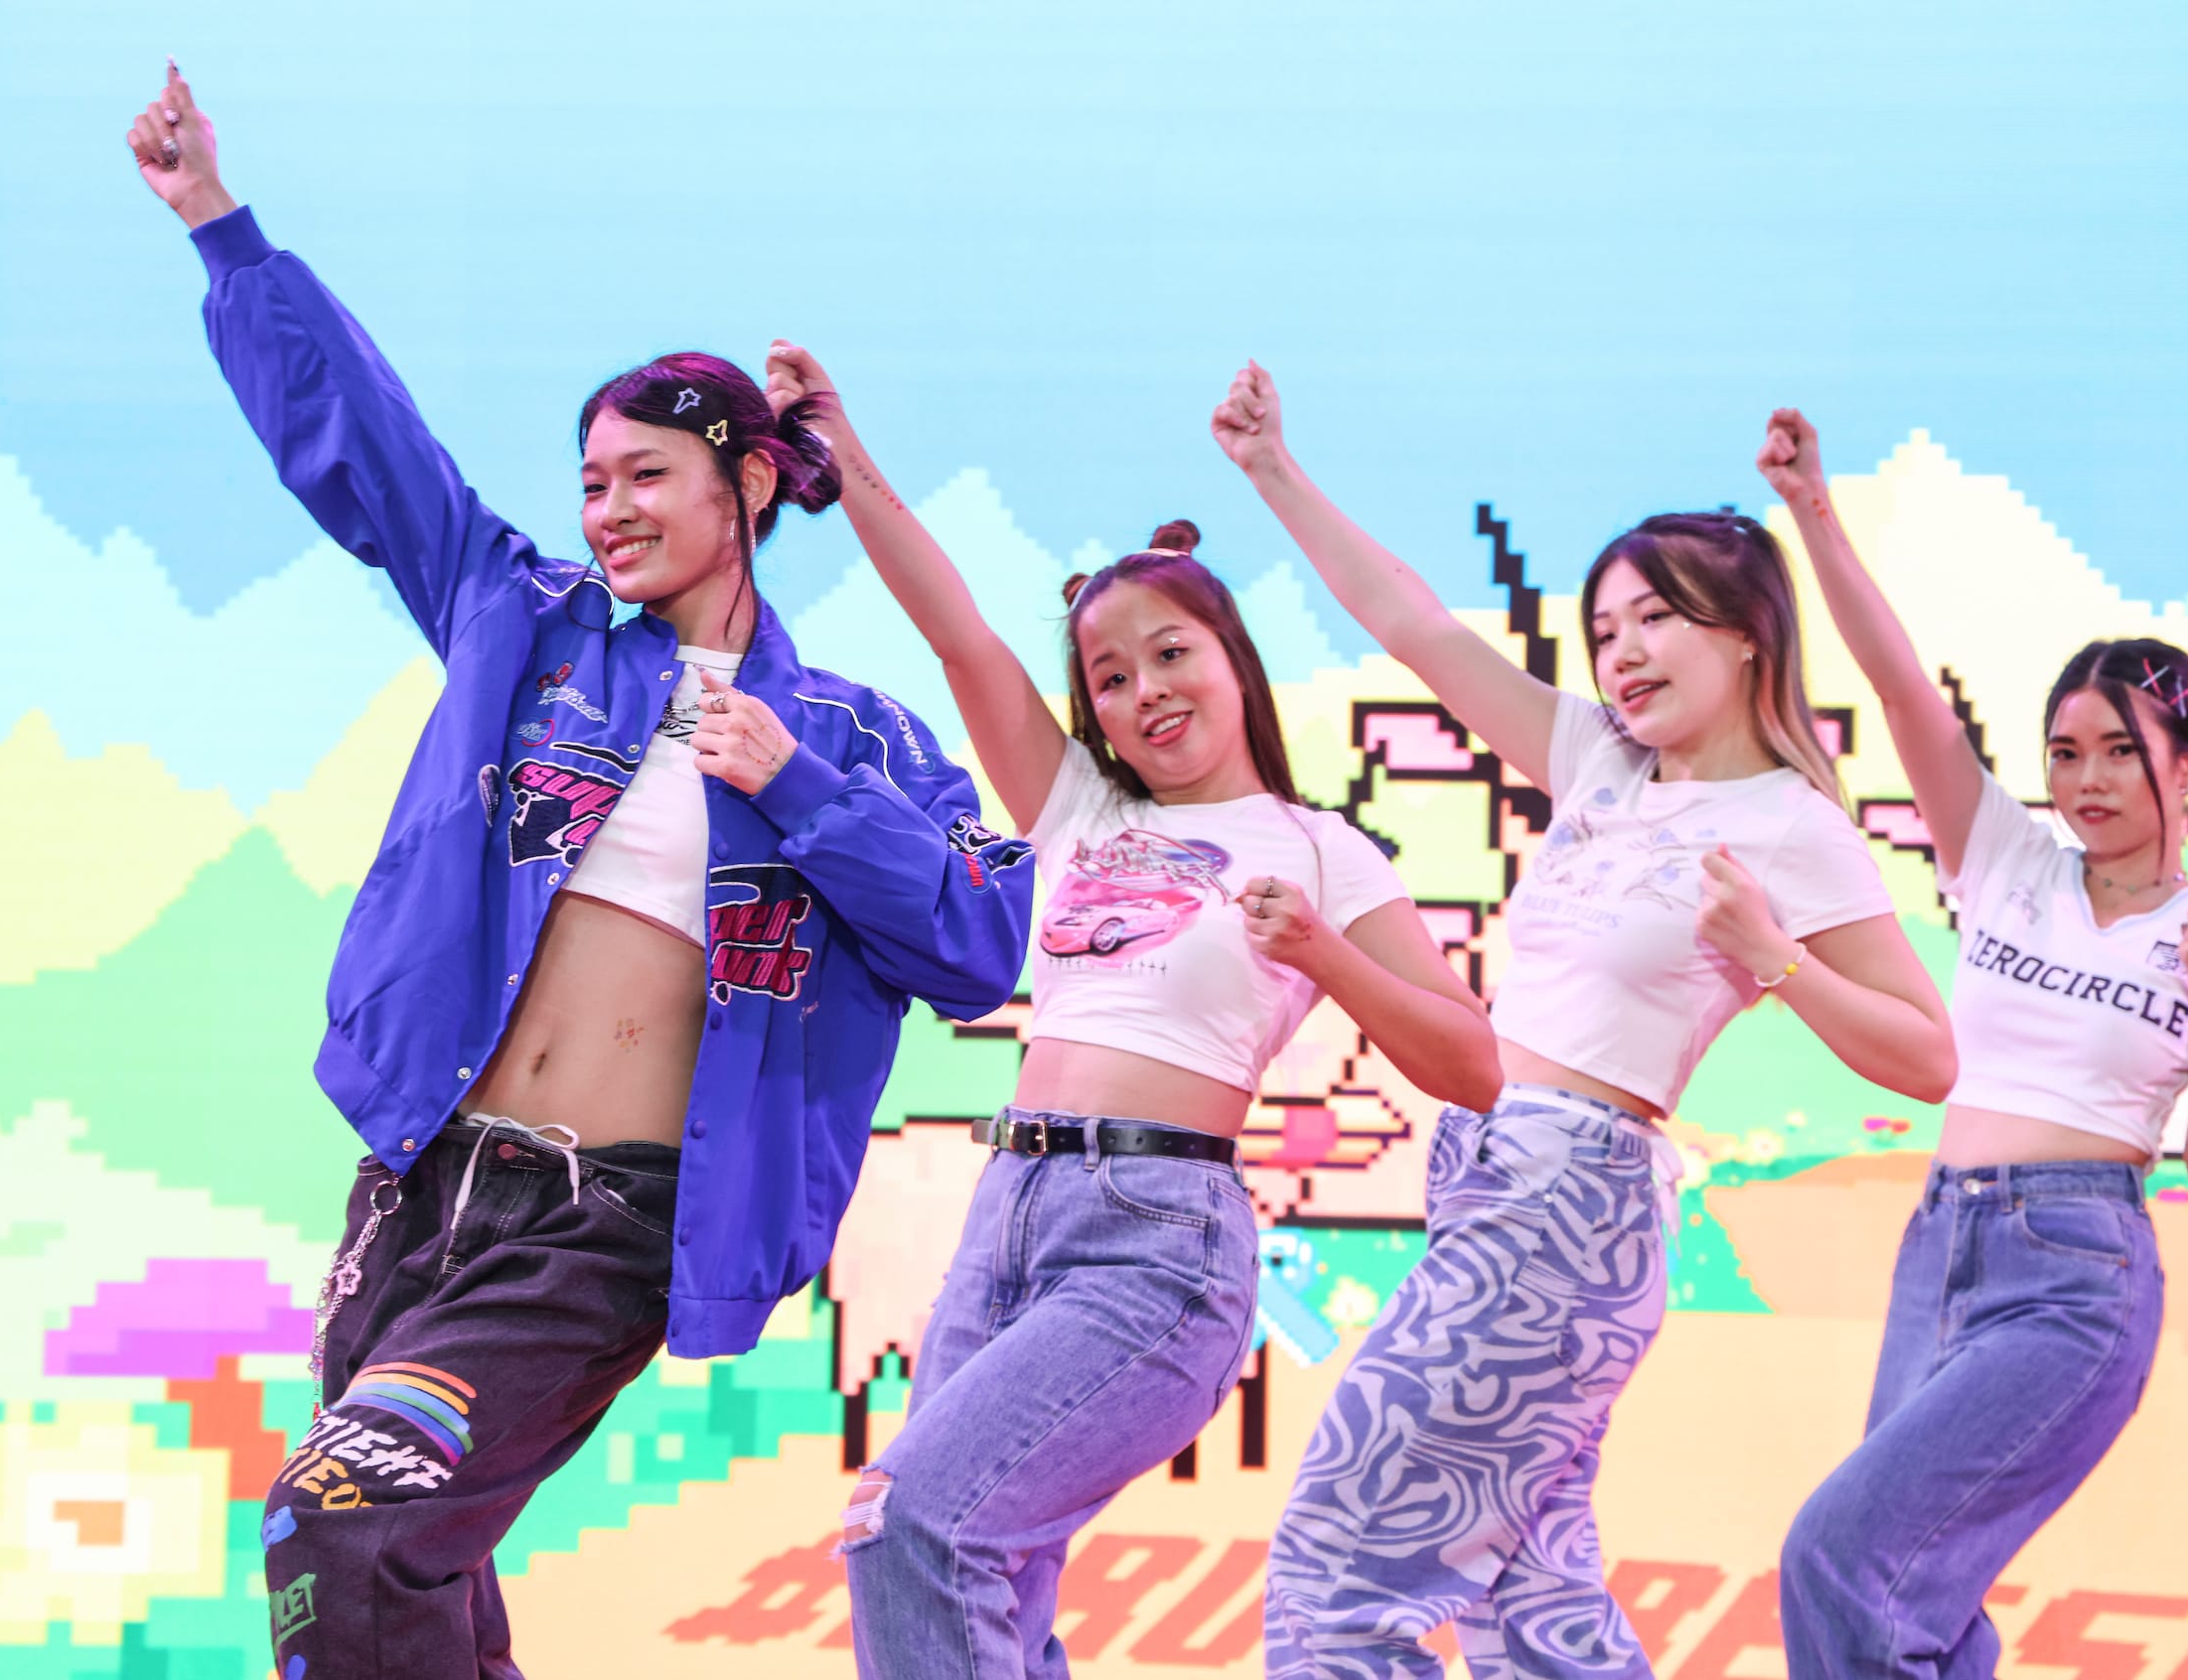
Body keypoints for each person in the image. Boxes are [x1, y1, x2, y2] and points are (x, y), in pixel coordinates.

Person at [124, 68, 1032, 1680]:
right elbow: (367, 447)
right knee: (415, 1585)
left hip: (600, 1224)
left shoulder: (856, 736)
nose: (608, 511)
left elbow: (978, 945)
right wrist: (219, 227)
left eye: (646, 476)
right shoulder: (525, 627)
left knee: (344, 1521)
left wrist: (795, 784)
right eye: (593, 481)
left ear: (749, 485)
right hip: (422, 1189)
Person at [759, 343, 1502, 1678]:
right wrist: (836, 441)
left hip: (1155, 1243)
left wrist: (1324, 955)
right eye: (1109, 677)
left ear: (1232, 661)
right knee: (959, 1573)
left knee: (919, 1524)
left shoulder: (1321, 850)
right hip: (1007, 1217)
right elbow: (956, 629)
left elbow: (1474, 1065)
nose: (1144, 690)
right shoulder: (1080, 810)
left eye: (1170, 653)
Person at [1211, 363, 1959, 1678]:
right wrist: (1272, 470)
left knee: (1339, 1573)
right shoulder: (1597, 764)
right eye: (1603, 628)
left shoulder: (1788, 826)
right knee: (1531, 1608)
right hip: (1490, 1180)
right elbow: (1412, 625)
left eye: (1655, 617)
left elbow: (1926, 1053)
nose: (1620, 652)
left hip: (1568, 1200)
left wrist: (1772, 957)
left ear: (1746, 634)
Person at [1761, 408, 2188, 1678]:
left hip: (2073, 1273)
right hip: (1940, 1243)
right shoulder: (2004, 858)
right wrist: (1811, 509)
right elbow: (1900, 689)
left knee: (1838, 1559)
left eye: (2119, 752)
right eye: (2063, 753)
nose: (2085, 779)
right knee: (1918, 1607)